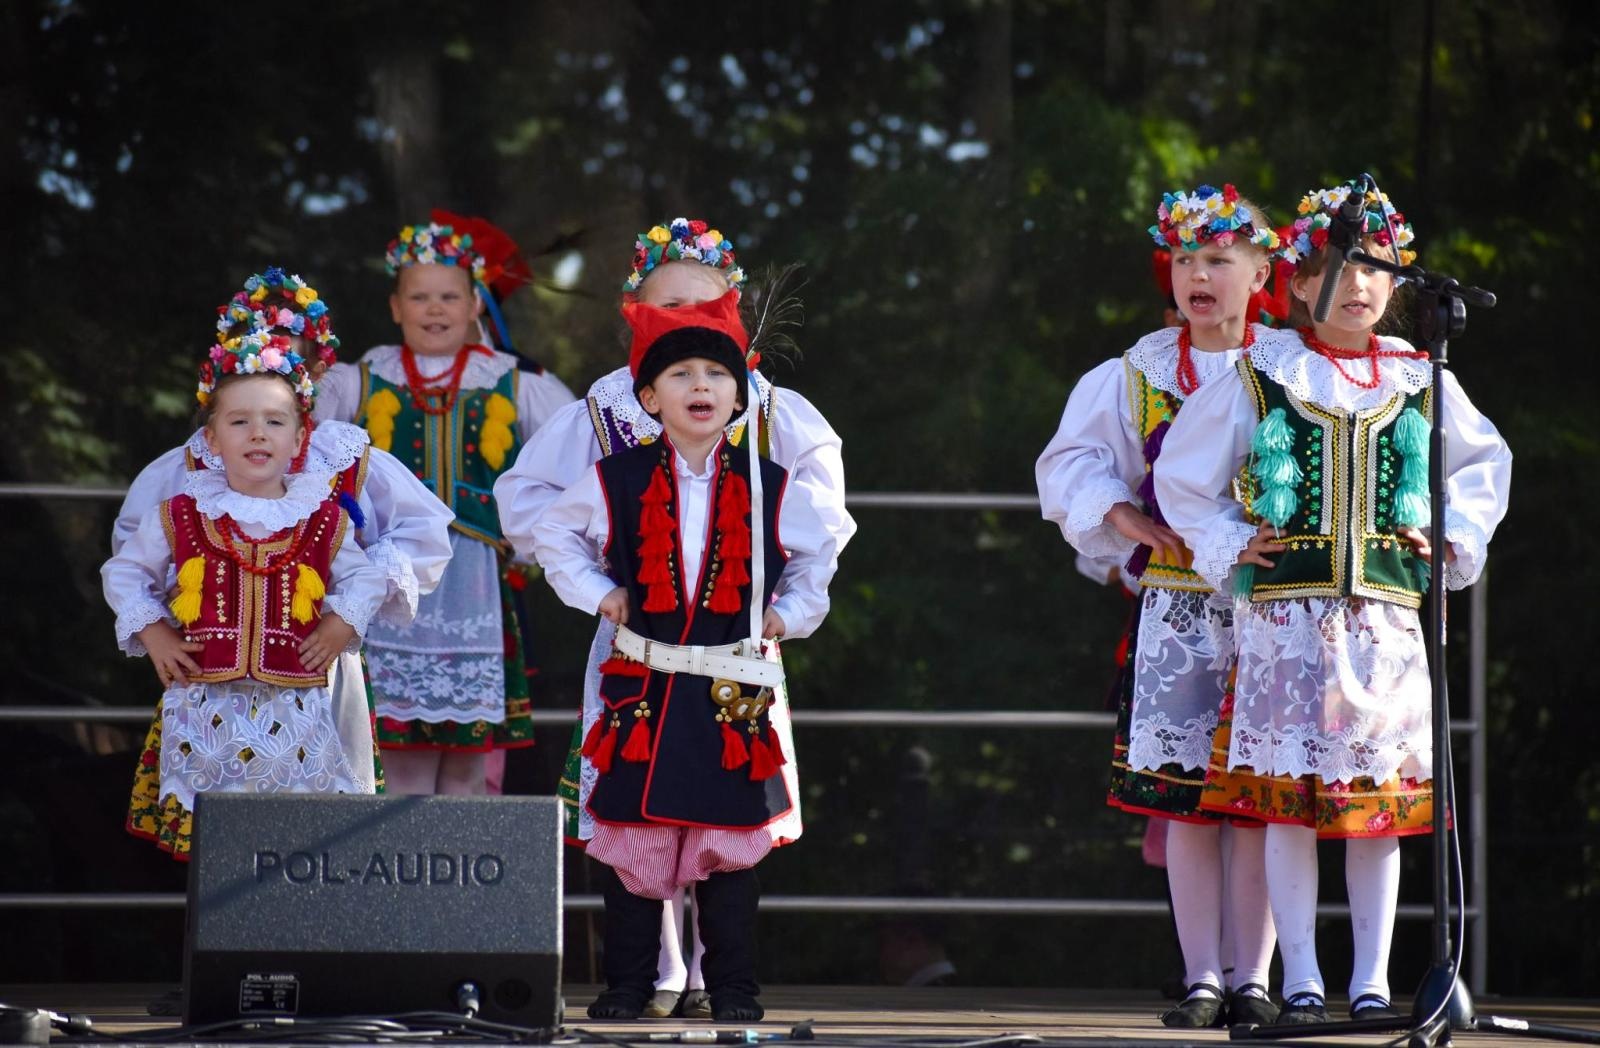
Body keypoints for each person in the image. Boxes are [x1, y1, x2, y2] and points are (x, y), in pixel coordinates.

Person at [1155, 178, 1512, 1023]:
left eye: (1375, 272)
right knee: (1288, 805)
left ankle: (1374, 983)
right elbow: (1181, 474)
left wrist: (1452, 534)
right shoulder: (1265, 368)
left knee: (1375, 810)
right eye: (1338, 269)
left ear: (1398, 287)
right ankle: (1303, 979)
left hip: (1384, 627)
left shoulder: (1421, 375)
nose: (1357, 287)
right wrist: (1227, 540)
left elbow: (1483, 464)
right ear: (1302, 282)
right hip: (1284, 622)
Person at [496, 218, 855, 1017]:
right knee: (633, 818)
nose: (689, 326)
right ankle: (647, 980)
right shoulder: (604, 417)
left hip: (736, 657)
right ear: (636, 318)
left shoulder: (774, 417)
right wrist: (599, 586)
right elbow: (533, 507)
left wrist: (789, 611)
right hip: (639, 654)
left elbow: (822, 526)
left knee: (726, 821)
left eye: (705, 307)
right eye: (669, 313)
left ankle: (721, 983)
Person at [1036, 184, 1289, 1028]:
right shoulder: (1138, 370)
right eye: (1185, 260)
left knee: (1255, 800)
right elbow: (1073, 461)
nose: (1198, 276)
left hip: (1274, 607)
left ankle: (1253, 976)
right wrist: (1124, 516)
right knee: (1182, 796)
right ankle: (1203, 977)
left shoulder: (1292, 366)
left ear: (1262, 271)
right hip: (1178, 608)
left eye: (1219, 259)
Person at [115, 269, 454, 857]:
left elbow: (421, 535)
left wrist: (347, 613)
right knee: (217, 842)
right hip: (210, 669)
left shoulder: (344, 454)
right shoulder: (188, 470)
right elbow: (135, 555)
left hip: (315, 665)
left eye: (283, 348)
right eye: (255, 342)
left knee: (312, 835)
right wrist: (160, 626)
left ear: (315, 369)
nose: (268, 353)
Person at [315, 218, 575, 795]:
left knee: (469, 753)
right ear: (394, 306)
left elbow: (576, 462)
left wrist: (536, 537)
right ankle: (403, 875)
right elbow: (300, 460)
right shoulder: (358, 380)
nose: (435, 309)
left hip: (475, 581)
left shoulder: (515, 382)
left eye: (450, 296)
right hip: (388, 586)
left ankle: (462, 877)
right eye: (420, 296)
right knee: (396, 747)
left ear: (474, 305)